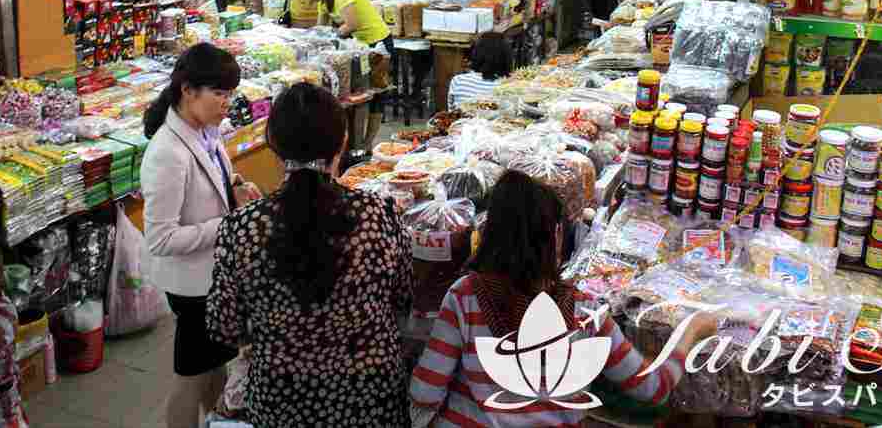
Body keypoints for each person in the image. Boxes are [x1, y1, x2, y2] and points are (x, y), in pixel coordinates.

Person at [412, 171, 714, 425]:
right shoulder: (583, 310)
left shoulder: (465, 295)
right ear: (555, 239)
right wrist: (691, 331)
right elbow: (653, 388)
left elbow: (425, 393)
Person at [207, 83, 413, 428]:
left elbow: (222, 326)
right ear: (342, 141)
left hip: (282, 401)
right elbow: (403, 298)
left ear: (273, 144)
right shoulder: (380, 214)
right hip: (370, 396)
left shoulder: (241, 228)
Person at [141, 44, 260, 428]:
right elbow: (160, 238)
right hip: (192, 286)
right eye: (219, 93)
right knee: (190, 376)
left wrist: (236, 186)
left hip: (213, 275)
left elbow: (215, 180)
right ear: (188, 90)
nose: (227, 103)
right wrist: (227, 224)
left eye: (230, 93)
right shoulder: (167, 153)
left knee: (213, 366)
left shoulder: (205, 131)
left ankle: (217, 421)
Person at [296, 0, 393, 147]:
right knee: (356, 94)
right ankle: (352, 144)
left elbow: (352, 24)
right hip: (358, 47)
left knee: (376, 93)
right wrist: (313, 39)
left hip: (377, 43)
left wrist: (331, 36)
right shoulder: (324, 0)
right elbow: (320, 29)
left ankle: (367, 143)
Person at [447, 32, 513, 109]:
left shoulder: (458, 80)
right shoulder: (509, 87)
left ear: (476, 54)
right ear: (506, 57)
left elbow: (451, 111)